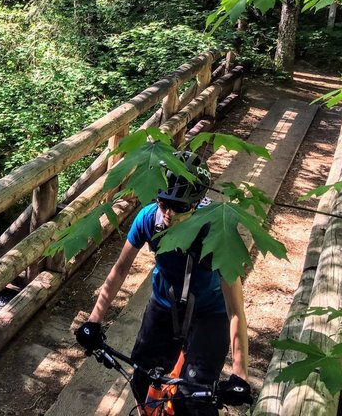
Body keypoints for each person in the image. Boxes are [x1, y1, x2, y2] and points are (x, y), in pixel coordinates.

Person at [75, 151, 252, 414]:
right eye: (163, 203)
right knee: (141, 377)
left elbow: (235, 309)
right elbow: (120, 269)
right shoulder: (148, 218)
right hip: (164, 305)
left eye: (179, 207)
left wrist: (240, 374)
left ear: (196, 201)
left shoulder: (216, 230)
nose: (168, 213)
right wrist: (94, 320)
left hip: (209, 313)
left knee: (195, 400)